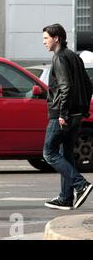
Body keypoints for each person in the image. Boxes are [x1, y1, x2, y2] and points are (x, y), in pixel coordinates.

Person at [42, 23, 93, 210]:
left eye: (46, 38)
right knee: (67, 154)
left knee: (49, 153)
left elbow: (65, 87)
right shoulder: (75, 57)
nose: (44, 42)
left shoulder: (59, 58)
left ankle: (81, 185)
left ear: (57, 38)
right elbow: (88, 86)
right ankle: (65, 198)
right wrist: (84, 108)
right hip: (77, 114)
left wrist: (62, 113)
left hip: (62, 115)